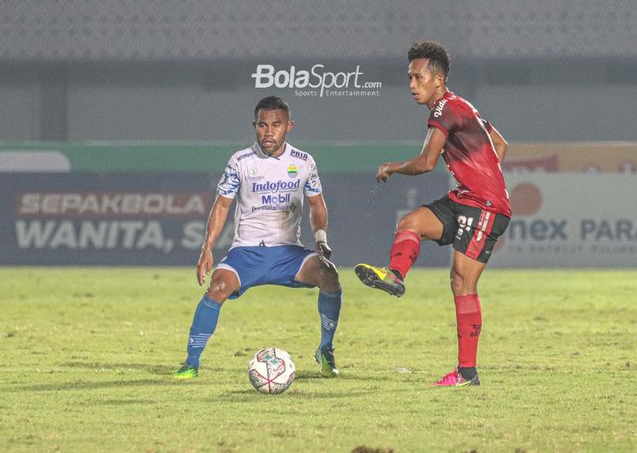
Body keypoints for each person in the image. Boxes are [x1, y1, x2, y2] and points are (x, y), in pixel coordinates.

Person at [354, 41, 511, 387]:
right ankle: (395, 276)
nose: (412, 84)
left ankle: (467, 373)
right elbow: (500, 145)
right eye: (409, 77)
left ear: (437, 79)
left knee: (461, 281)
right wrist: (480, 169)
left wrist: (393, 168)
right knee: (410, 223)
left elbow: (426, 163)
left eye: (417, 77)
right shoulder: (463, 106)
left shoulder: (444, 110)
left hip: (484, 205)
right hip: (466, 197)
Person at [174, 96, 342, 379]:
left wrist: (321, 238)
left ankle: (325, 349)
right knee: (217, 287)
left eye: (276, 125)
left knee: (330, 276)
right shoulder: (240, 161)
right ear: (255, 126)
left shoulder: (304, 162)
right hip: (247, 253)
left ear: (289, 126)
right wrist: (207, 248)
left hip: (289, 254)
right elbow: (222, 205)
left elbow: (317, 204)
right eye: (262, 125)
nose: (268, 132)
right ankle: (191, 363)